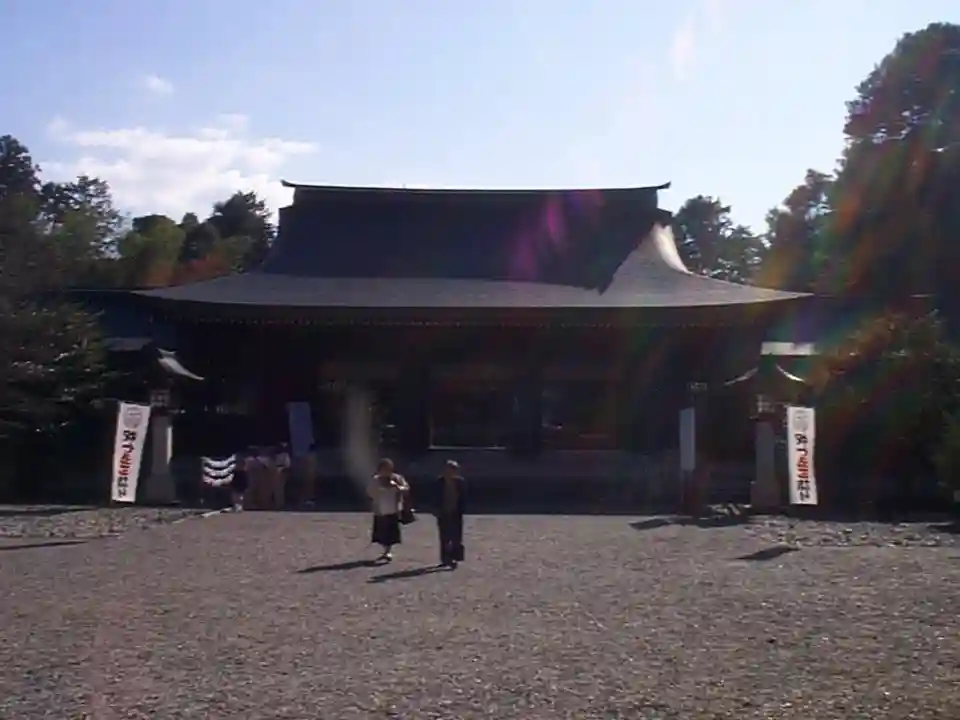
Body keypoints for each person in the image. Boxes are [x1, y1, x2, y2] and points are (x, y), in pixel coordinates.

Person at [367, 458, 409, 562]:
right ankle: (385, 549)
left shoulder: (397, 478)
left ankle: (387, 551)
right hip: (380, 510)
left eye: (388, 469)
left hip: (393, 509)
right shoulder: (375, 480)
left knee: (391, 532)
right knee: (381, 532)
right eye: (384, 469)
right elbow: (370, 492)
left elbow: (406, 488)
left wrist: (398, 487)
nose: (386, 471)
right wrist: (377, 491)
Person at [434, 459, 466, 568]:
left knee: (456, 537)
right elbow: (435, 496)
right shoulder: (439, 482)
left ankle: (454, 558)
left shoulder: (460, 482)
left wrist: (462, 509)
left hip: (455, 512)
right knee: (444, 537)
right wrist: (436, 509)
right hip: (443, 512)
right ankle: (445, 559)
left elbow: (463, 497)